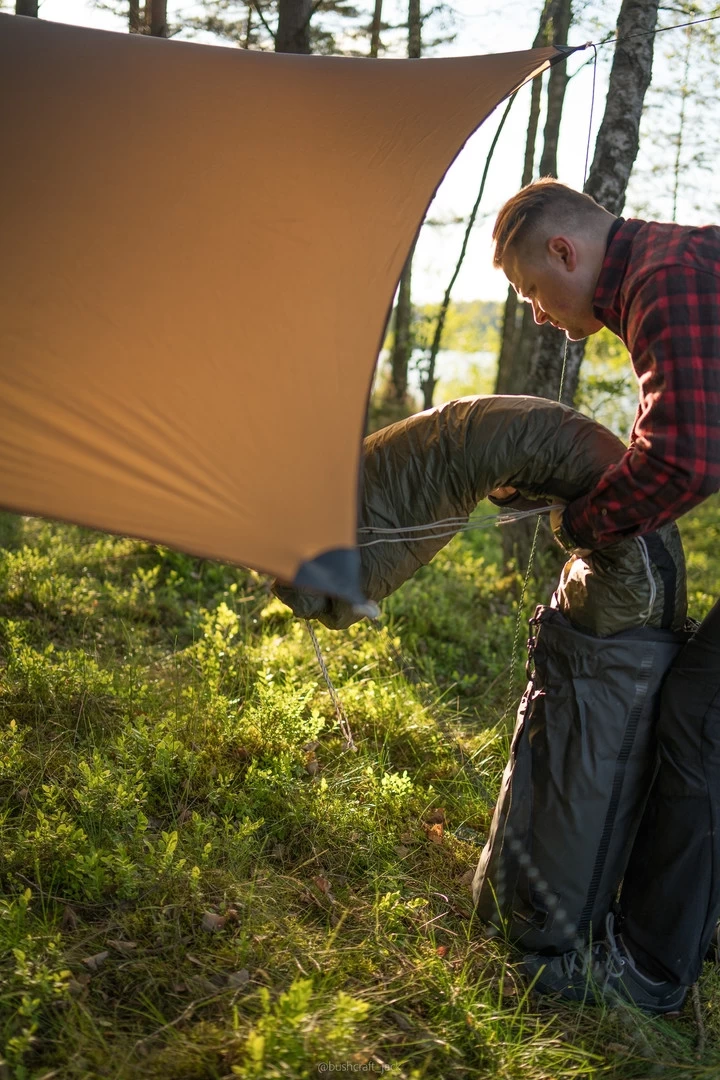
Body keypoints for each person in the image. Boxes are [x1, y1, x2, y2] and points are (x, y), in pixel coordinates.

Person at [490, 178, 720, 1014]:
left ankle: (654, 972)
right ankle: (693, 917)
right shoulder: (675, 264)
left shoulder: (663, 280)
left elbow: (686, 458)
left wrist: (585, 522)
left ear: (565, 251)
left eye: (532, 293)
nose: (540, 313)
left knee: (701, 713)